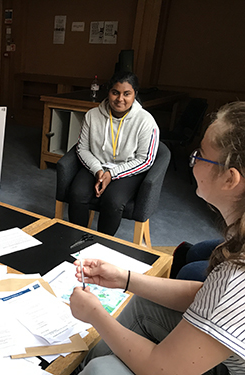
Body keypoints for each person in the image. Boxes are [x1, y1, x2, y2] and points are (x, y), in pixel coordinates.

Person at [70, 101, 245, 375]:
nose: (194, 160)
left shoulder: (236, 280)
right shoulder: (239, 237)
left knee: (103, 371)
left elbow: (161, 369)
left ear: (230, 179)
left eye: (200, 155)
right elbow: (205, 295)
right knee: (142, 302)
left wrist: (95, 314)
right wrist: (125, 279)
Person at [68, 71, 159, 236]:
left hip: (127, 169)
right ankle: (77, 240)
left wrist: (113, 173)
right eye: (115, 92)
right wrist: (98, 170)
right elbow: (82, 148)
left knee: (113, 201)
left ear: (135, 95)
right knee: (77, 194)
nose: (120, 99)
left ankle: (102, 244)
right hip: (97, 165)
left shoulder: (146, 121)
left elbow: (145, 159)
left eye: (127, 94)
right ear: (108, 92)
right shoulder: (92, 115)